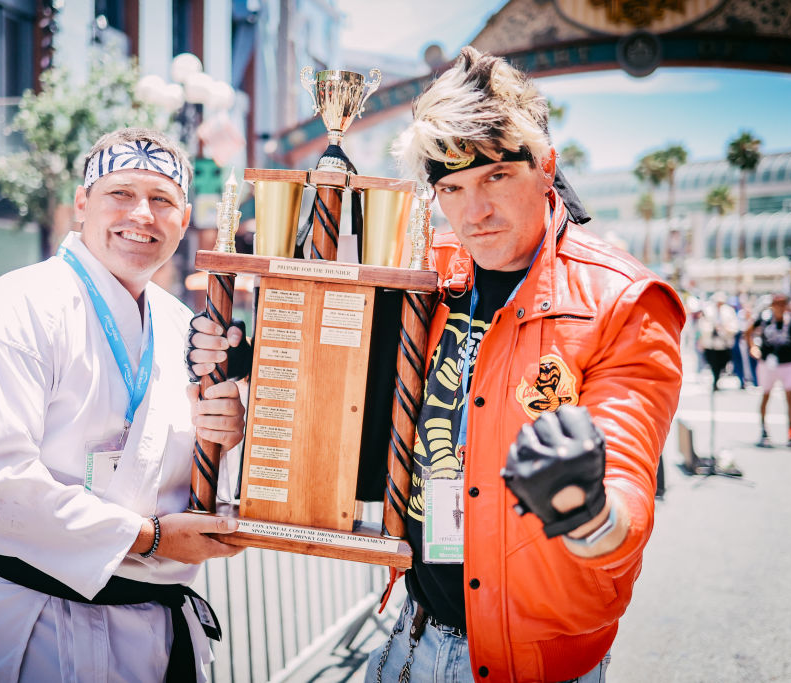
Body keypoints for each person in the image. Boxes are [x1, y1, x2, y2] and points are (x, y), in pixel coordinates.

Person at [191, 48, 683, 682]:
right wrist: (246, 359)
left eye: (496, 178)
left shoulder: (623, 302)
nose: (472, 210)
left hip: (535, 666)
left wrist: (584, 510)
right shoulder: (429, 275)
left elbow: (626, 494)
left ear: (546, 168)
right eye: (451, 187)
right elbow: (343, 380)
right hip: (411, 634)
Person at [0, 127, 247, 682]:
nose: (142, 214)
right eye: (121, 194)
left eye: (162, 200)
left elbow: (201, 480)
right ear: (82, 204)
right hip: (38, 623)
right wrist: (150, 538)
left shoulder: (185, 327)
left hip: (158, 626)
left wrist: (228, 437)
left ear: (183, 220)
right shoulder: (14, 310)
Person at [746, 292, 791, 448]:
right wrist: (753, 347)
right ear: (772, 305)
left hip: (788, 364)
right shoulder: (764, 320)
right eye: (777, 303)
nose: (780, 307)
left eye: (783, 303)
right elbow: (747, 331)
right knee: (766, 396)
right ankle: (764, 432)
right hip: (767, 364)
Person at [696, 292, 738, 391]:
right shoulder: (708, 310)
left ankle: (717, 378)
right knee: (713, 363)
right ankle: (715, 380)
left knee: (722, 363)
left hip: (724, 343)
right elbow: (702, 325)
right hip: (711, 343)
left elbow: (734, 326)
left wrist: (724, 329)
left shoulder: (729, 311)